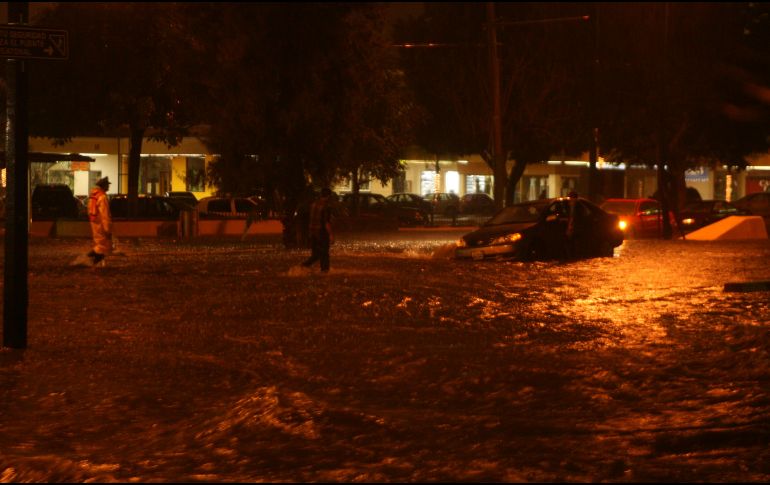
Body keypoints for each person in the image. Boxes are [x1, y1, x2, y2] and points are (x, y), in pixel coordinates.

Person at [301, 187, 334, 273]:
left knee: (315, 255)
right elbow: (326, 222)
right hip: (322, 233)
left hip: (312, 233)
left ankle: (302, 267)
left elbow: (309, 219)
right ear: (328, 196)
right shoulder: (326, 207)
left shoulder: (313, 205)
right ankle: (325, 272)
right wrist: (331, 235)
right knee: (325, 254)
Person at [87, 176, 113, 266]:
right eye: (107, 185)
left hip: (94, 221)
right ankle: (94, 256)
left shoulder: (94, 195)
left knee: (99, 241)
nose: (109, 186)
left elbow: (89, 209)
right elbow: (105, 214)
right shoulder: (102, 197)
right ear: (104, 186)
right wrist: (107, 228)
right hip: (100, 223)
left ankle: (94, 256)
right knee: (103, 243)